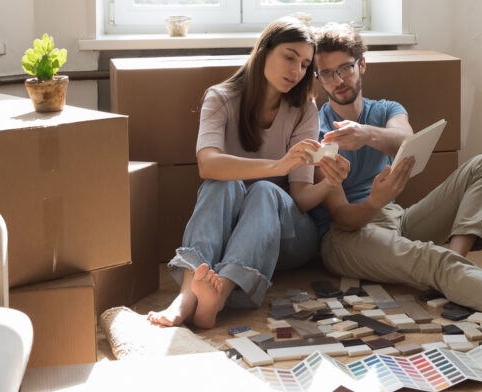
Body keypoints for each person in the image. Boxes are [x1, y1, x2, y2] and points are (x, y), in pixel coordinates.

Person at [310, 23, 482, 325]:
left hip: (396, 218)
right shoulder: (317, 130)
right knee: (431, 258)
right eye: (327, 73)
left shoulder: (387, 109)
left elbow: (406, 141)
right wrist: (375, 202)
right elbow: (341, 217)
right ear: (319, 79)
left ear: (361, 65)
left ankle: (456, 264)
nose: (338, 80)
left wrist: (365, 135)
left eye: (345, 69)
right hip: (347, 237)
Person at [149, 17, 350, 329]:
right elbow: (207, 164)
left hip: (288, 237)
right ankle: (187, 297)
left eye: (304, 65)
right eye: (289, 58)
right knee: (221, 183)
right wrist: (278, 166)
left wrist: (329, 185)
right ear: (264, 51)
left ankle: (218, 295)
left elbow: (301, 199)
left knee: (266, 191)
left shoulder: (304, 110)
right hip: (233, 233)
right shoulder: (220, 98)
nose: (296, 72)